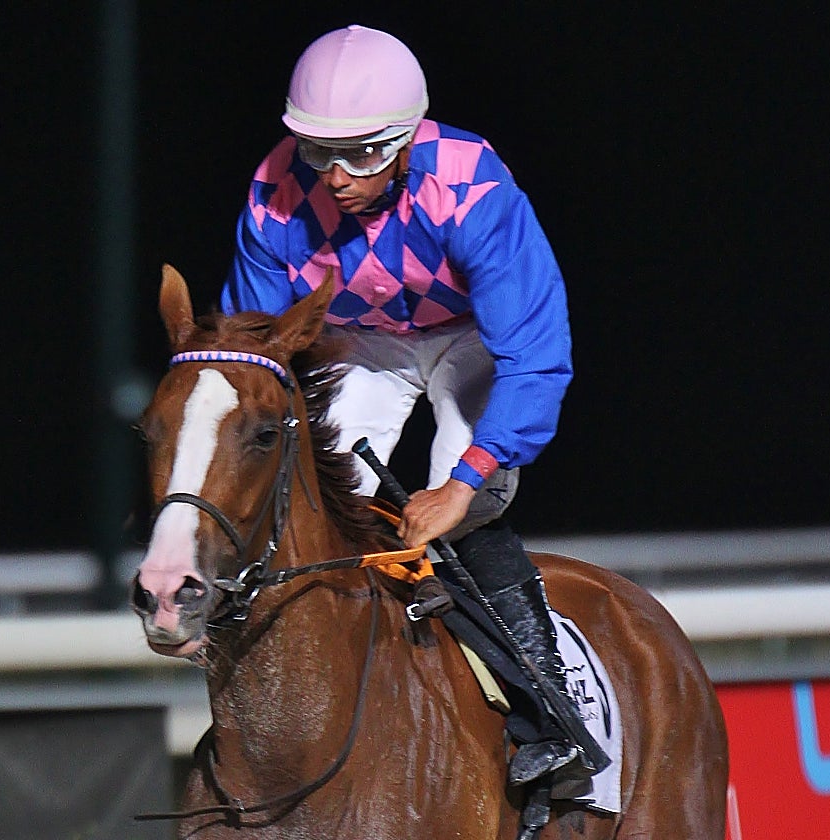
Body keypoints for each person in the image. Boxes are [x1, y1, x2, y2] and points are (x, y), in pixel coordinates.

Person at [220, 24, 587, 791]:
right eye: (321, 154)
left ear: (408, 137)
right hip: (367, 343)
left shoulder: (473, 183)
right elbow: (254, 353)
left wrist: (460, 484)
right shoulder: (273, 191)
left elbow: (537, 356)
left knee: (467, 493)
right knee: (325, 499)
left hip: (475, 337)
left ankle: (548, 712)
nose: (339, 177)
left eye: (363, 153)